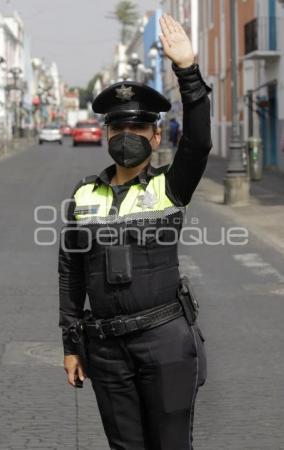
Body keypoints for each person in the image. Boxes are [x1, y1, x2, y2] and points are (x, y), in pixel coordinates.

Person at [58, 14, 212, 450]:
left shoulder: (171, 185)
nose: (128, 135)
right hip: (105, 350)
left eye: (139, 127)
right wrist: (72, 345)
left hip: (164, 341)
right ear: (107, 134)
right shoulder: (84, 195)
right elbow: (70, 271)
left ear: (156, 135)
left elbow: (199, 143)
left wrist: (188, 72)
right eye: (119, 127)